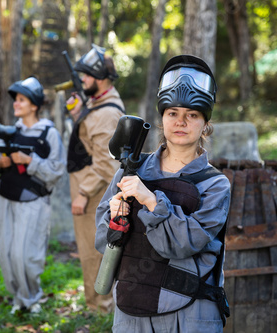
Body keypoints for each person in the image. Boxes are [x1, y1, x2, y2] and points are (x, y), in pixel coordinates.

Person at [95, 54, 231, 332]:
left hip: (191, 315)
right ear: (162, 118)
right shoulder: (131, 170)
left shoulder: (216, 184)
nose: (181, 122)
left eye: (192, 115)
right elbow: (101, 239)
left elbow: (182, 245)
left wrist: (150, 200)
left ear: (205, 124)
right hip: (132, 311)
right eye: (173, 113)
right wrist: (116, 222)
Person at [0, 76, 66, 314]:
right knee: (7, 254)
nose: (16, 104)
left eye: (21, 100)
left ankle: (32, 298)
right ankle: (18, 299)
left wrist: (29, 161)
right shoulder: (9, 131)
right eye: (15, 100)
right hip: (4, 198)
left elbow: (57, 171)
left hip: (33, 201)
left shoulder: (48, 133)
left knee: (25, 255)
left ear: (34, 105)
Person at [66, 44, 125, 313]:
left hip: (93, 189)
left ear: (100, 77)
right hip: (89, 186)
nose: (82, 81)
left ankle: (101, 308)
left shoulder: (106, 113)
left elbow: (105, 163)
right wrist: (79, 114)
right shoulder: (98, 104)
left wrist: (83, 192)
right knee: (89, 249)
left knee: (93, 251)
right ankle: (96, 304)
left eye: (86, 76)